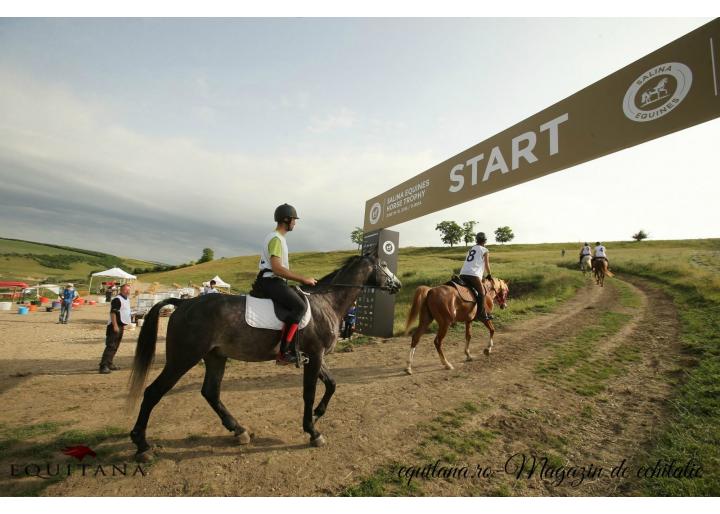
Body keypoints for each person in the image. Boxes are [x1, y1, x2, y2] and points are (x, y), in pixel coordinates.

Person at [253, 203, 317, 365]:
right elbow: (277, 268)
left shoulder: (276, 238)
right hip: (272, 281)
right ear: (286, 220)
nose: (295, 223)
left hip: (270, 280)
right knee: (300, 307)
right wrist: (303, 279)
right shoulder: (276, 239)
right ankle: (284, 352)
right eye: (294, 219)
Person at [459, 232, 493, 321]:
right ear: (485, 241)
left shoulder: (471, 249)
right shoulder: (485, 250)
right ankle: (480, 315)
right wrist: (489, 274)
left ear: (476, 240)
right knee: (482, 293)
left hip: (462, 274)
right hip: (473, 275)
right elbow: (486, 264)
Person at [99, 283, 132, 374]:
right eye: (126, 289)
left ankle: (109, 363)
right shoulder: (117, 299)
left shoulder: (126, 299)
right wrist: (115, 325)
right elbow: (113, 313)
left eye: (129, 290)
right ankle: (103, 366)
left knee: (115, 346)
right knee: (111, 346)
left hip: (121, 325)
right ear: (121, 290)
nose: (128, 291)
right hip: (114, 326)